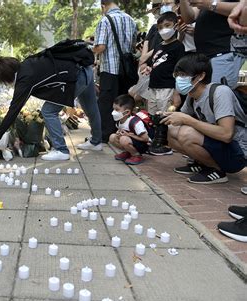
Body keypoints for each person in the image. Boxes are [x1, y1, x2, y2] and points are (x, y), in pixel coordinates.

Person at [0, 42, 102, 161]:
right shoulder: (27, 64)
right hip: (85, 70)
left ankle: (61, 150)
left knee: (48, 111)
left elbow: (13, 111)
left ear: (6, 76)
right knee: (91, 108)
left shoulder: (24, 80)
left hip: (76, 78)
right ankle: (96, 142)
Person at [161, 54, 246, 184]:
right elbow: (180, 120)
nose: (179, 79)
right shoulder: (191, 95)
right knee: (170, 130)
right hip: (219, 145)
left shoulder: (220, 92)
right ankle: (201, 163)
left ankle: (217, 170)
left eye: (183, 75)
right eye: (177, 75)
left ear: (201, 76)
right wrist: (165, 116)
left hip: (238, 152)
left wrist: (188, 120)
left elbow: (227, 134)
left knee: (186, 133)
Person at [140, 12, 185, 155]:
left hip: (167, 87)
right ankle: (154, 140)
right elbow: (152, 63)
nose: (163, 30)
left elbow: (179, 70)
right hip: (153, 86)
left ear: (175, 25)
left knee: (164, 116)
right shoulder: (159, 46)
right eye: (160, 27)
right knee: (153, 116)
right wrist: (147, 68)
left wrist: (176, 92)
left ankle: (163, 143)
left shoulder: (178, 47)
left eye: (167, 26)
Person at [93, 0, 138, 143]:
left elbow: (101, 47)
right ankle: (123, 133)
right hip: (126, 70)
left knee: (106, 104)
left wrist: (90, 50)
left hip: (110, 69)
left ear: (103, 6)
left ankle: (104, 136)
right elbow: (132, 46)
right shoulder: (131, 20)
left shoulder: (105, 20)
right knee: (123, 103)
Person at [179, 0, 244, 88]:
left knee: (218, 95)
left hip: (224, 52)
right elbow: (189, 17)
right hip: (204, 56)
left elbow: (243, 9)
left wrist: (211, 4)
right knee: (205, 97)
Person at [109, 95, 150, 165]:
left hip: (143, 145)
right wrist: (118, 134)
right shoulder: (119, 122)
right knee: (112, 137)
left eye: (117, 110)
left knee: (123, 139)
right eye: (113, 109)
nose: (114, 112)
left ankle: (137, 155)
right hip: (131, 142)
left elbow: (146, 139)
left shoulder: (135, 122)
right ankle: (128, 152)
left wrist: (128, 135)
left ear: (127, 112)